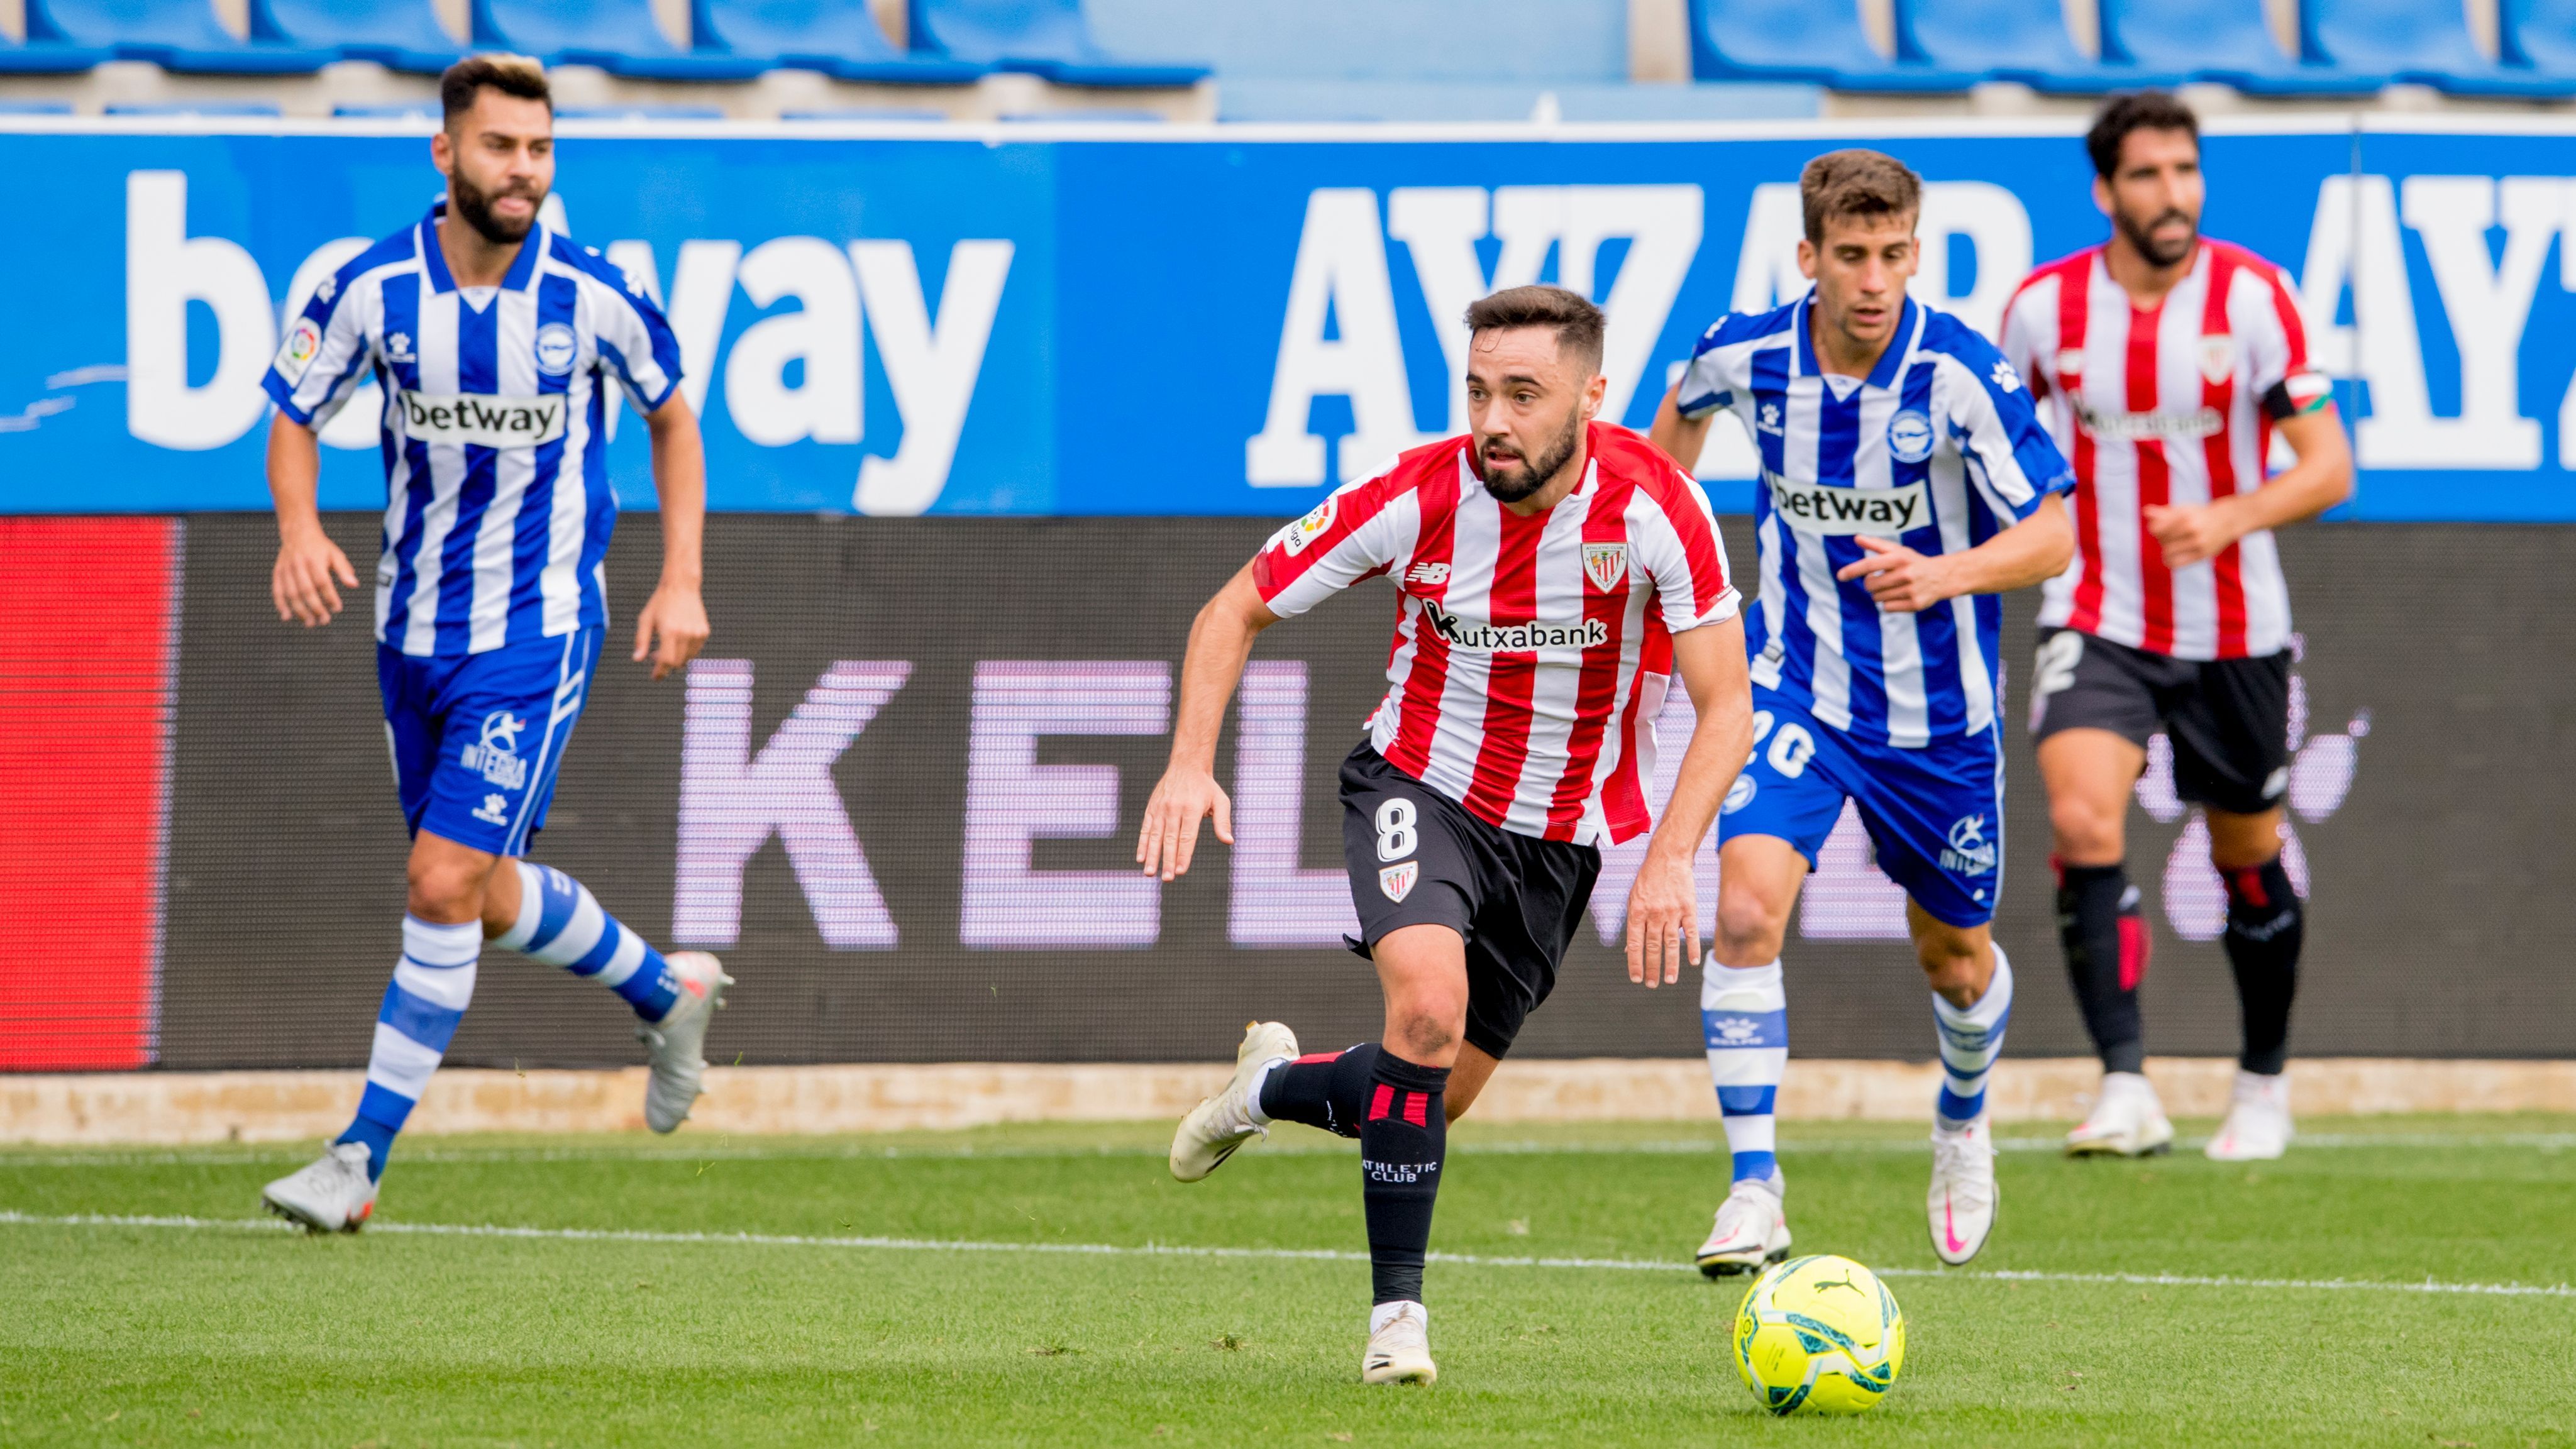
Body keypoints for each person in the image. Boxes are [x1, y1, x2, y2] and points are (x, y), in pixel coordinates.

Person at [1144, 285, 1753, 1385]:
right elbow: (1232, 606)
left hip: (1560, 839)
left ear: (1592, 398)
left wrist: (1669, 855)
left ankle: (1267, 1090)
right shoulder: (1418, 494)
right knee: (1425, 1012)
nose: (1494, 420)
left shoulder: (1660, 509)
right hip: (1416, 784)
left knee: (1430, 1093)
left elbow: (1727, 705)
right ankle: (1396, 1324)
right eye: (1478, 390)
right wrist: (1189, 761)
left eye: (1525, 394)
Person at [254, 55, 728, 1233]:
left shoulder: (593, 293)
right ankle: (667, 992)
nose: (524, 170)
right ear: (446, 153)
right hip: (410, 631)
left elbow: (675, 419)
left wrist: (680, 579)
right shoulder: (368, 289)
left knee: (440, 877)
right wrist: (298, 530)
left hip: (537, 630)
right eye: (502, 147)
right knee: (478, 888)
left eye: (541, 148)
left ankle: (358, 1158)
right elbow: (292, 414)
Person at [1649, 150, 2076, 1273]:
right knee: (1742, 911)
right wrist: (1661, 552)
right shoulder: (1743, 353)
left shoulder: (1959, 376)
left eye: (1893, 255)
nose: (1874, 278)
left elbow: (2053, 534)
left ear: (1915, 255)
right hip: (1791, 685)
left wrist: (1946, 573)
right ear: (1810, 258)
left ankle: (1962, 1120)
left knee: (1955, 959)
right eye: (1851, 255)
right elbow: (1668, 441)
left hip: (1937, 722)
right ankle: (1754, 1186)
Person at [1998, 92, 2352, 1162]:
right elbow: (1994, 447)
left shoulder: (2253, 296)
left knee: (2247, 849)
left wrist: (2227, 516)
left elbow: (2329, 466)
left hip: (2234, 627)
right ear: (2106, 192)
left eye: (2185, 171)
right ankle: (2122, 1083)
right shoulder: (2039, 310)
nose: (2173, 194)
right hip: (2096, 609)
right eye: (2148, 175)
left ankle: (2260, 1084)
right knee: (2081, 818)